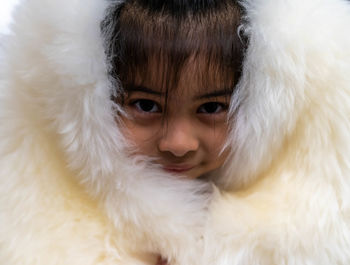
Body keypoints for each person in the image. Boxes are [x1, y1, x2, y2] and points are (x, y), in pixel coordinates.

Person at [1, 0, 350, 264]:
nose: (178, 143)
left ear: (270, 108)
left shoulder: (307, 238)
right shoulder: (24, 233)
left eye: (212, 108)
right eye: (146, 105)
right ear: (84, 102)